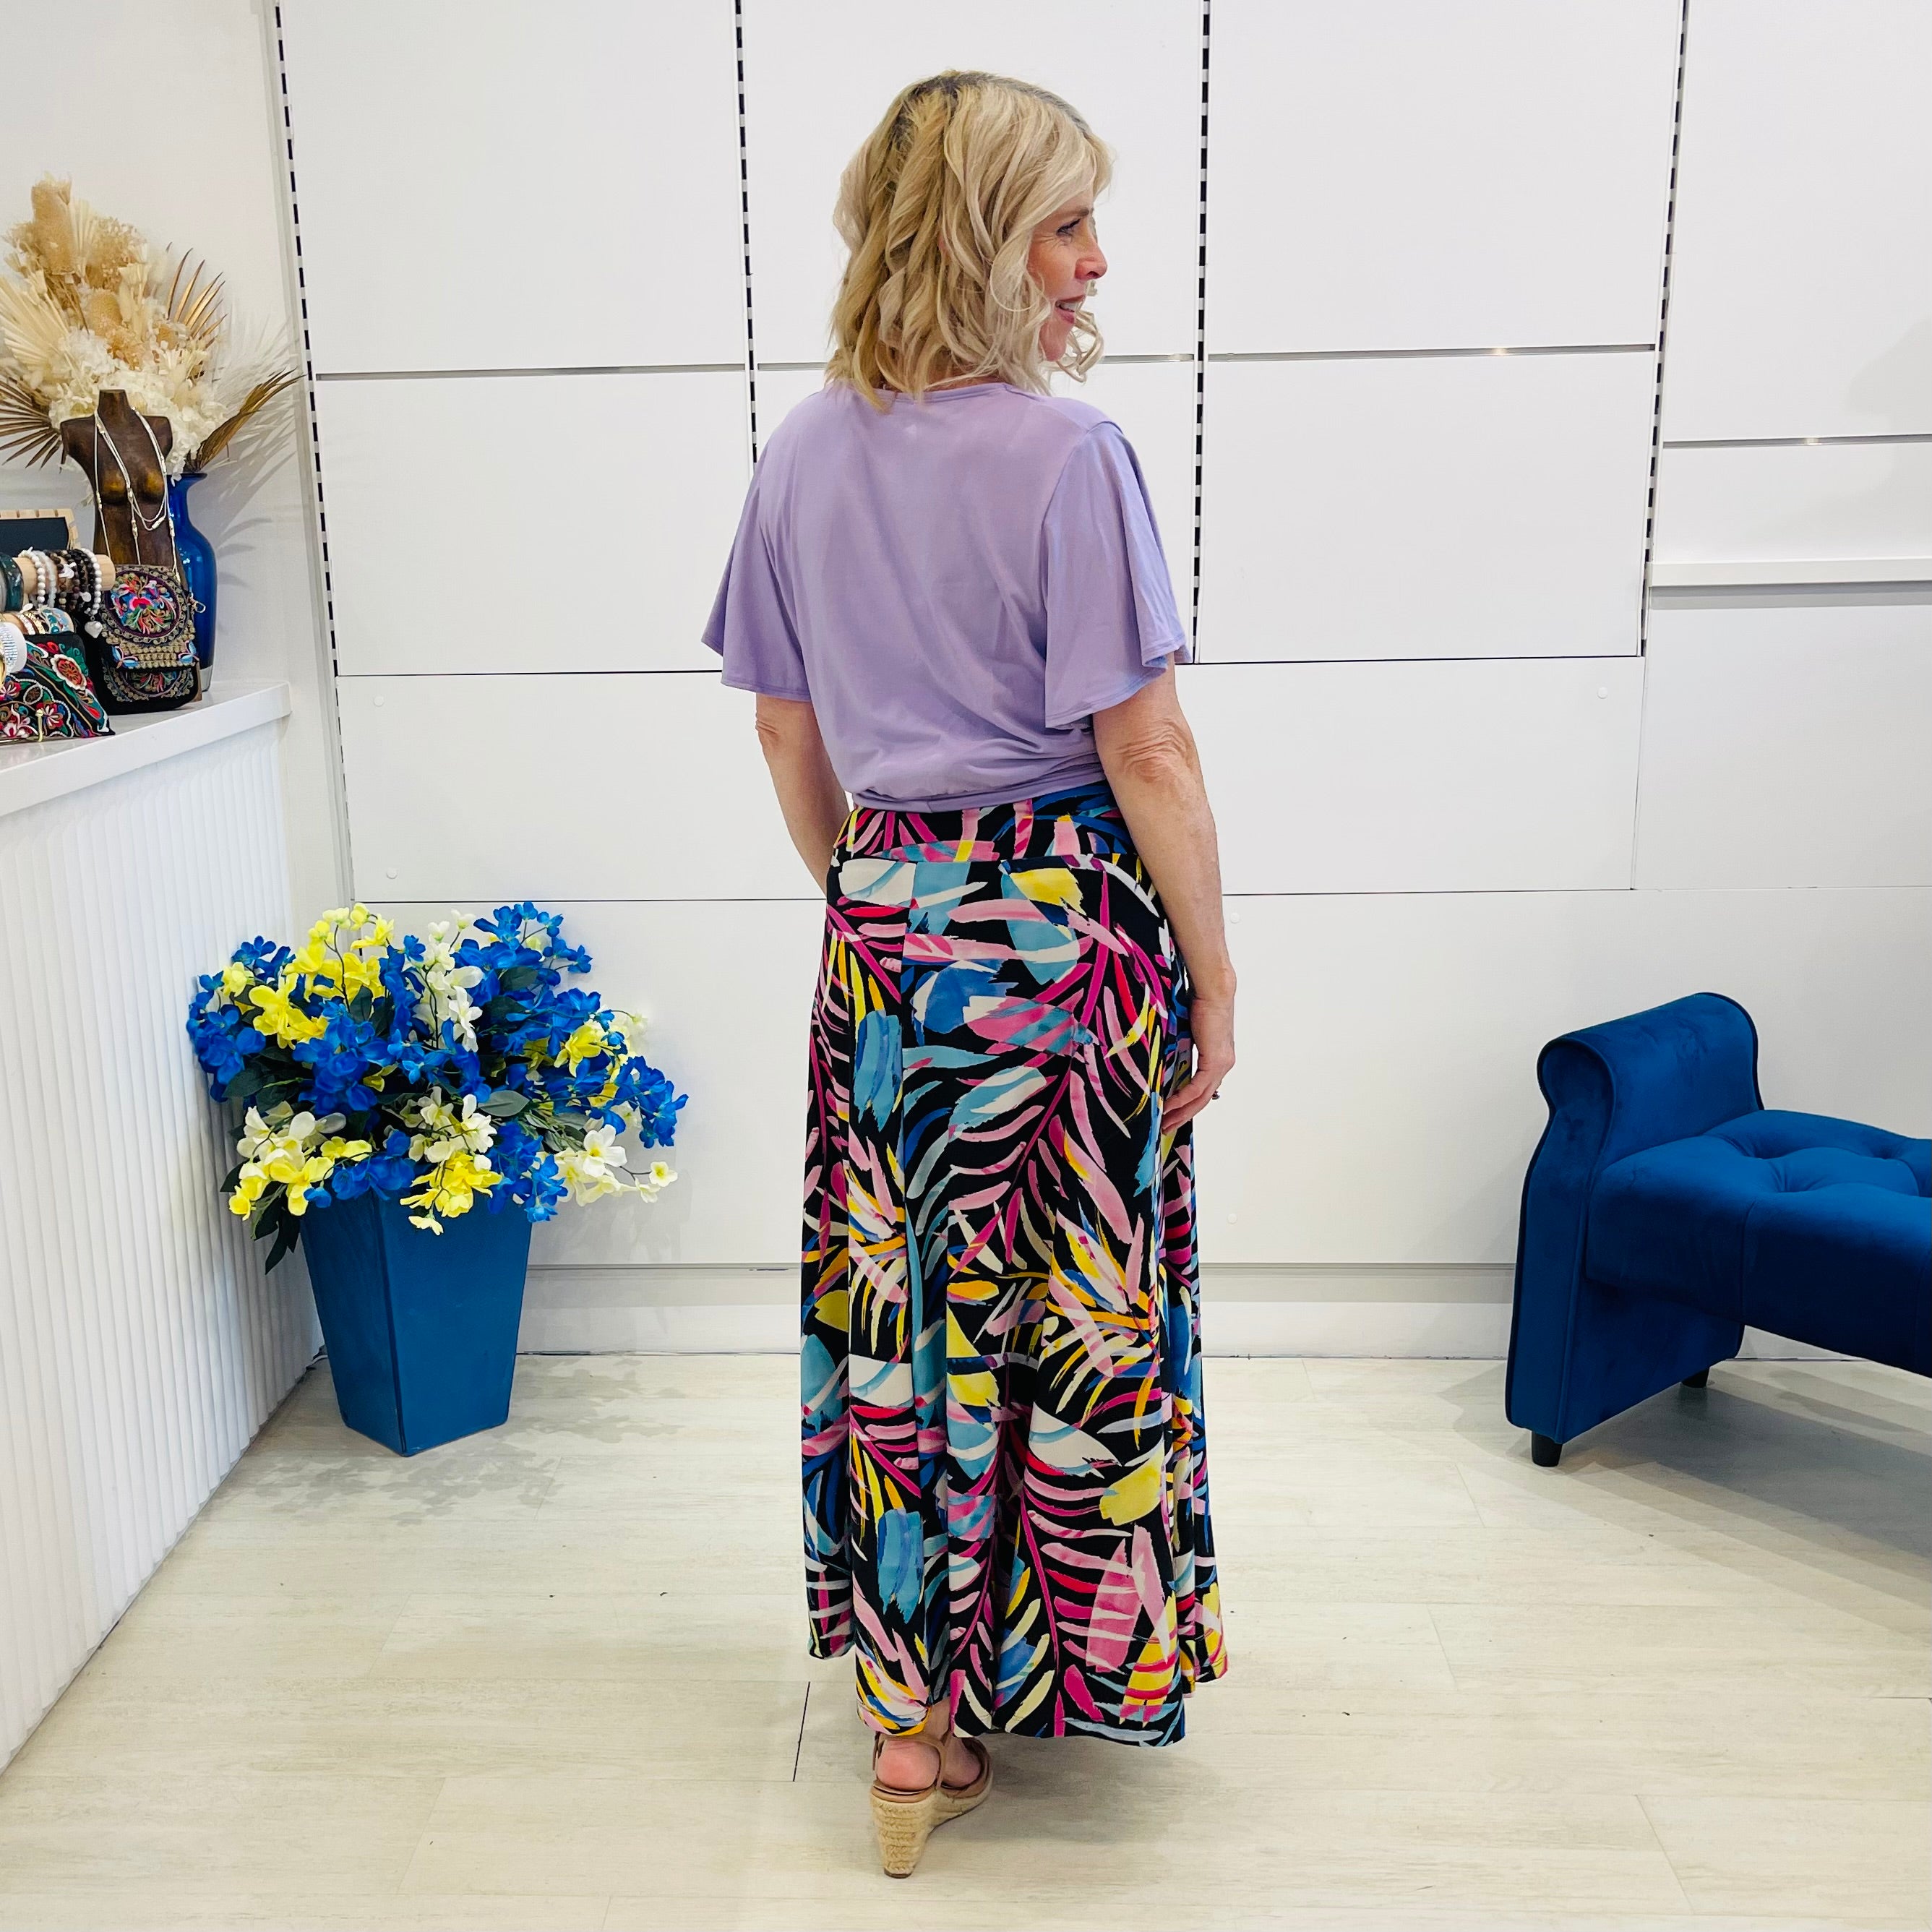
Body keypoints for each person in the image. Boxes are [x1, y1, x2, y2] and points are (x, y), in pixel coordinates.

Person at [704, 70, 1232, 1878]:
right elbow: (1145, 750)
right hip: (1069, 947)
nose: (1093, 261)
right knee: (1060, 1313)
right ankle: (1060, 1655)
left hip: (885, 947)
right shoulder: (1069, 455)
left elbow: (787, 729)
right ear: (978, 240)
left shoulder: (798, 451)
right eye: (1062, 223)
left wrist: (877, 896)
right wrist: (1216, 975)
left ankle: (906, 1731)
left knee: (897, 1323)